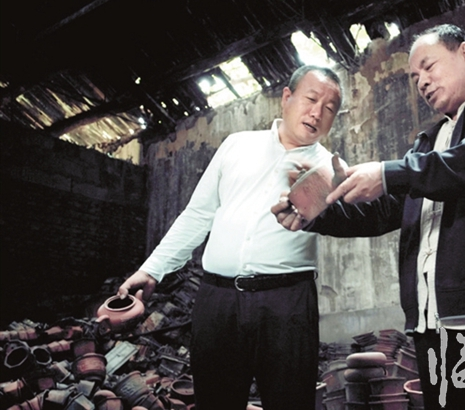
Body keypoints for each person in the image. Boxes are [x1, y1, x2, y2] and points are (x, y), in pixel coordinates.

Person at [273, 24, 465, 408]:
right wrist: (317, 213)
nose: (423, 83)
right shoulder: (427, 144)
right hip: (434, 328)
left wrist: (389, 173)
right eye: (415, 78)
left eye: (429, 67)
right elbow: (383, 212)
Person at [118, 65, 344, 410]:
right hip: (218, 302)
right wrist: (152, 269)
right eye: (311, 99)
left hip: (288, 306)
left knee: (290, 402)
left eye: (329, 108)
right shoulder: (237, 145)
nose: (317, 113)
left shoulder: (330, 170)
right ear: (286, 97)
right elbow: (198, 214)